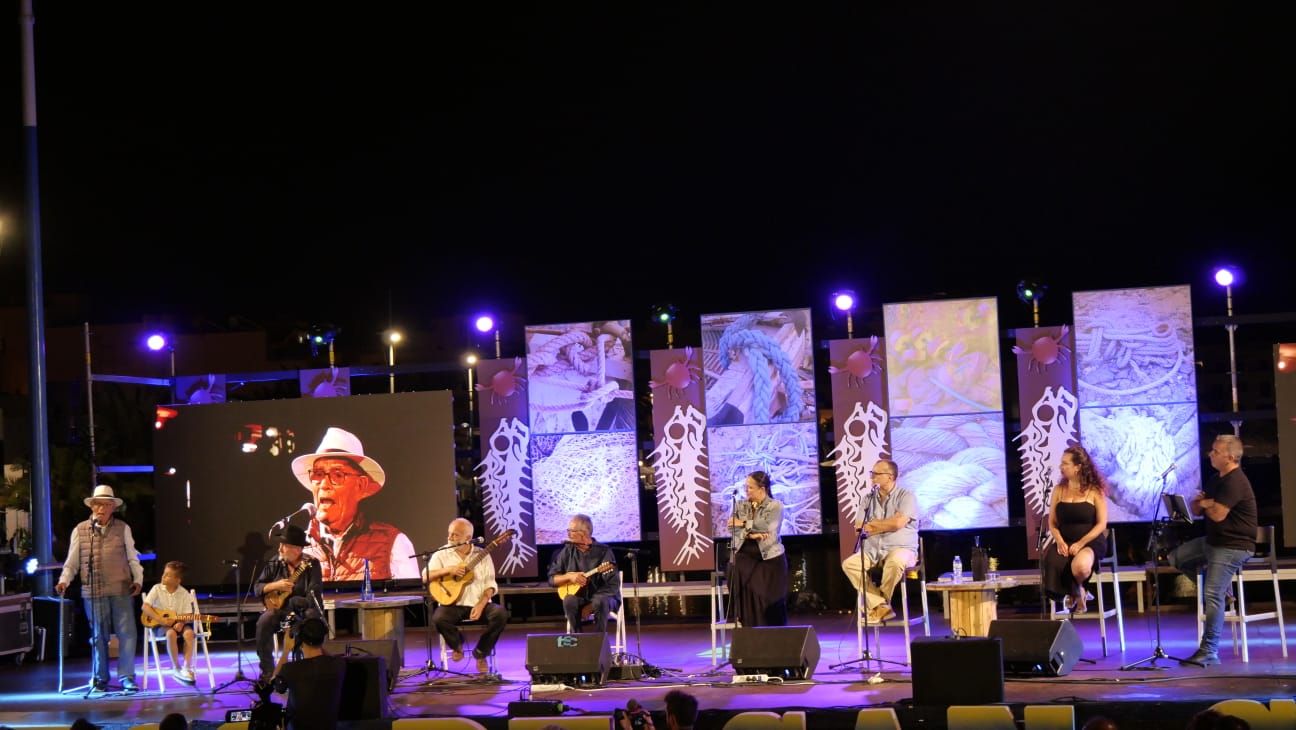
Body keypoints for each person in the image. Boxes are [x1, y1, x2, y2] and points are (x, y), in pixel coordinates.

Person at [1167, 435, 1258, 667]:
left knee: (1211, 595)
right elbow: (1196, 508)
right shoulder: (1216, 479)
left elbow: (1217, 514)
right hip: (1215, 542)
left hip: (1234, 546)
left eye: (1215, 452)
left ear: (1229, 457)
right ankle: (1223, 591)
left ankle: (1209, 650)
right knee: (1176, 557)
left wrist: (1207, 504)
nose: (1210, 454)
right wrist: (1207, 504)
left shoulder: (1235, 481)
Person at [292, 427, 419, 581]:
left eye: (337, 475)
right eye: (318, 474)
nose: (324, 484)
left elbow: (411, 600)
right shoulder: (298, 546)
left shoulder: (392, 543)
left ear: (360, 485)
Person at [56, 485, 143, 694]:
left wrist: (138, 579)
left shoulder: (123, 528)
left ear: (113, 507)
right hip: (93, 591)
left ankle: (127, 677)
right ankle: (99, 677)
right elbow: (72, 561)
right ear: (92, 506)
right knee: (98, 636)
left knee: (127, 633)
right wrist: (64, 580)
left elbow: (133, 557)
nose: (101, 508)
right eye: (97, 504)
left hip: (121, 587)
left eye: (106, 504)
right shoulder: (81, 530)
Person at [424, 518, 509, 673]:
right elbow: (425, 576)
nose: (450, 538)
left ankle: (481, 653)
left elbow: (490, 584)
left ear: (468, 538)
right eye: (449, 534)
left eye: (455, 535)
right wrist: (448, 570)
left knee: (500, 614)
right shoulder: (441, 554)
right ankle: (457, 645)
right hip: (453, 605)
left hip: (479, 603)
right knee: (439, 618)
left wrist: (481, 603)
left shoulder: (482, 555)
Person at [841, 459, 919, 624]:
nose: (872, 477)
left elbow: (898, 523)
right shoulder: (868, 499)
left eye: (877, 474)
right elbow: (859, 527)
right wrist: (888, 524)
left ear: (890, 477)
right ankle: (881, 605)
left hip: (902, 548)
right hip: (873, 549)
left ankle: (880, 606)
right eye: (872, 473)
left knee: (896, 561)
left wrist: (875, 524)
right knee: (850, 564)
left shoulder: (906, 496)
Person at [1043, 446, 1109, 615]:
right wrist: (1059, 541)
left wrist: (1081, 543)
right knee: (1052, 561)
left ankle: (1076, 590)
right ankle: (1078, 590)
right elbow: (1052, 522)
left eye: (1065, 463)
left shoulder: (1095, 491)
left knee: (1080, 567)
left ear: (1078, 467)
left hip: (1090, 541)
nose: (1061, 467)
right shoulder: (1058, 490)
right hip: (1064, 539)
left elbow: (1101, 524)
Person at [254, 525, 324, 680]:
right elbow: (257, 588)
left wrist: (293, 601)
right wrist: (275, 585)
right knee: (264, 620)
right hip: (281, 611)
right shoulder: (275, 563)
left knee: (312, 616)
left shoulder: (312, 565)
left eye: (284, 546)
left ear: (297, 549)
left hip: (303, 610)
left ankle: (313, 668)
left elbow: (313, 595)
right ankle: (268, 672)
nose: (279, 549)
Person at [726, 471, 788, 627]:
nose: (747, 491)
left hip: (769, 557)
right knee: (734, 564)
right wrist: (752, 535)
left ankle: (772, 632)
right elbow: (731, 527)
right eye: (746, 487)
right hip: (746, 554)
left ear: (762, 489)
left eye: (750, 488)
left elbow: (767, 526)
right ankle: (746, 621)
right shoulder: (741, 505)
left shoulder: (775, 506)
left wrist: (743, 524)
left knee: (770, 600)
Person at [548, 514, 621, 634]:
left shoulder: (603, 551)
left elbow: (612, 585)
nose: (568, 534)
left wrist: (591, 605)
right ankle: (577, 639)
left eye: (571, 531)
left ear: (584, 534)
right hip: (580, 597)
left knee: (599, 600)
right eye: (568, 530)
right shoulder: (568, 550)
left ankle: (599, 642)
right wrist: (570, 576)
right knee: (569, 600)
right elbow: (552, 579)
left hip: (604, 598)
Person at [273, 617, 347, 730]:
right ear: (323, 638)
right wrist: (319, 644)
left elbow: (275, 684)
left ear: (300, 640)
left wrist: (286, 651)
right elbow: (328, 658)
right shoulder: (339, 665)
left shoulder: (290, 669)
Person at [142, 560, 200, 684]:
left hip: (178, 622)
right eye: (164, 573)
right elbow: (145, 607)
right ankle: (176, 667)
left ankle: (186, 667)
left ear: (177, 580)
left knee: (189, 634)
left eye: (168, 575)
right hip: (160, 624)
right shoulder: (157, 589)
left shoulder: (183, 593)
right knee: (170, 634)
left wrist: (181, 622)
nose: (163, 576)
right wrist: (160, 619)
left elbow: (188, 615)